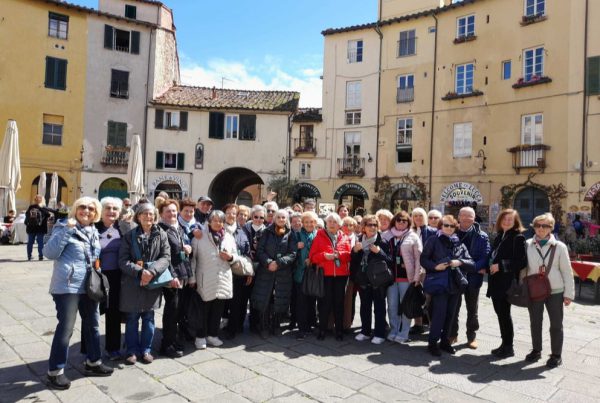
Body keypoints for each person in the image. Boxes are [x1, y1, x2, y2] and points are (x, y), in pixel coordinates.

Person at [43, 197, 113, 390]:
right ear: (75, 209)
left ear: (95, 213)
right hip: (67, 287)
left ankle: (93, 362)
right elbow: (49, 252)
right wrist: (67, 230)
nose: (86, 211)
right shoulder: (63, 225)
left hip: (89, 286)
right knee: (66, 328)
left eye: (91, 208)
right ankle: (55, 372)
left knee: (93, 325)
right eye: (82, 207)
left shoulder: (93, 231)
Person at [119, 202, 171, 365]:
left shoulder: (161, 234)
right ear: (138, 216)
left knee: (149, 317)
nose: (148, 217)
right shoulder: (129, 235)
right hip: (133, 283)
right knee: (132, 318)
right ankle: (132, 350)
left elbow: (166, 257)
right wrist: (141, 272)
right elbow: (123, 260)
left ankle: (146, 350)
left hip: (152, 283)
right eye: (145, 214)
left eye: (151, 214)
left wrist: (152, 271)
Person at [525, 213, 575, 368]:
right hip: (534, 290)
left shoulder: (559, 247)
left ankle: (556, 355)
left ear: (551, 228)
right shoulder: (527, 244)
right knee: (535, 322)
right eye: (538, 225)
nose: (541, 229)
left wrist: (568, 294)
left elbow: (567, 271)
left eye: (545, 226)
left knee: (556, 324)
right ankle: (536, 350)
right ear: (533, 227)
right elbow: (524, 268)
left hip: (555, 291)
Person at [420, 215, 474, 356]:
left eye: (451, 226)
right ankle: (432, 343)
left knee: (451, 315)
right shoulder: (433, 240)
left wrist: (460, 262)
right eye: (445, 225)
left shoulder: (459, 243)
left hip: (455, 285)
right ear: (440, 226)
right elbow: (423, 259)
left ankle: (445, 342)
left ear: (455, 228)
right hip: (439, 284)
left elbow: (471, 263)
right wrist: (435, 266)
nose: (448, 228)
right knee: (439, 314)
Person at [190, 210, 239, 349]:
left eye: (221, 221)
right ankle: (200, 336)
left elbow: (235, 255)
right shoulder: (199, 237)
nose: (218, 223)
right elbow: (192, 259)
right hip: (205, 278)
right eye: (215, 220)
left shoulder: (229, 237)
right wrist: (192, 278)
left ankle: (212, 334)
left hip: (223, 277)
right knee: (203, 310)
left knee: (218, 309)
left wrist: (230, 258)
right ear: (209, 221)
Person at [488, 209, 527, 358]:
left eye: (510, 219)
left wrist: (501, 266)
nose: (507, 221)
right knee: (500, 314)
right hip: (495, 282)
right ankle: (504, 344)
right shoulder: (499, 236)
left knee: (504, 315)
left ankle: (509, 347)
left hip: (506, 283)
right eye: (504, 219)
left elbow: (521, 262)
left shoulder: (518, 238)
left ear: (515, 222)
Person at [251, 209, 297, 338]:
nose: (281, 220)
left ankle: (276, 325)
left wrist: (279, 262)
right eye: (279, 217)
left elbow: (293, 253)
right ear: (274, 218)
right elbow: (260, 250)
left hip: (282, 273)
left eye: (284, 217)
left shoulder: (290, 233)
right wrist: (269, 262)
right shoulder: (267, 232)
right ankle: (264, 326)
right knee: (265, 299)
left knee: (279, 299)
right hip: (266, 272)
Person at [450, 207, 490, 349]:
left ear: (474, 218)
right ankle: (452, 334)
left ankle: (471, 336)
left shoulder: (482, 235)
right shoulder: (451, 231)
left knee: (472, 308)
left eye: (470, 216)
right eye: (464, 215)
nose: (467, 218)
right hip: (454, 276)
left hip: (473, 277)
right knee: (454, 307)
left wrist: (470, 266)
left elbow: (485, 256)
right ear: (459, 217)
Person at [157, 199, 192, 358]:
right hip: (172, 277)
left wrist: (187, 249)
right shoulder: (161, 230)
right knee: (171, 312)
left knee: (178, 311)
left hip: (182, 274)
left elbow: (180, 252)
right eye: (168, 211)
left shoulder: (176, 228)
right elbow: (164, 256)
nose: (171, 213)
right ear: (162, 214)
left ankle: (174, 339)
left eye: (173, 211)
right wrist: (172, 276)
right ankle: (167, 345)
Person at [310, 213, 351, 341]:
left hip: (341, 276)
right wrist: (324, 256)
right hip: (325, 275)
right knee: (325, 303)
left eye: (334, 222)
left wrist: (339, 255)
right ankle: (322, 330)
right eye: (330, 222)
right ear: (326, 223)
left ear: (339, 225)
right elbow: (312, 257)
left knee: (339, 303)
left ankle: (338, 330)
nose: (332, 224)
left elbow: (349, 255)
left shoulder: (345, 237)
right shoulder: (319, 236)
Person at [351, 214, 391, 344]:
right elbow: (354, 262)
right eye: (369, 225)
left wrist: (379, 252)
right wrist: (355, 252)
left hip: (378, 280)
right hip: (364, 279)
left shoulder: (382, 241)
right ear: (363, 227)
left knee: (379, 308)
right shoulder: (358, 240)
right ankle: (365, 331)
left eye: (375, 225)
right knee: (364, 307)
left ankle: (379, 333)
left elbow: (389, 261)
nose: (373, 227)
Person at [387, 211, 422, 344]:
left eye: (404, 221)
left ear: (408, 223)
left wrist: (417, 277)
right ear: (394, 221)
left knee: (406, 305)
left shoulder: (413, 236)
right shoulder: (387, 235)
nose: (401, 222)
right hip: (390, 278)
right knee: (392, 306)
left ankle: (404, 332)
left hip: (407, 278)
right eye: (398, 220)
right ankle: (394, 330)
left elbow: (419, 258)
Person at [97, 197, 124, 361]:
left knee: (114, 313)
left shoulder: (123, 229)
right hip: (96, 275)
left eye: (115, 208)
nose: (111, 211)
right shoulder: (93, 228)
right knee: (92, 314)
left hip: (116, 276)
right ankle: (89, 350)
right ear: (101, 210)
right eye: (108, 208)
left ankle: (113, 348)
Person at [222, 204, 252, 340]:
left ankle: (232, 328)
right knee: (221, 302)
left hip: (237, 272)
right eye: (228, 213)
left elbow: (247, 253)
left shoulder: (242, 231)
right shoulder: (218, 228)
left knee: (236, 302)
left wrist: (249, 272)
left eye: (234, 213)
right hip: (220, 271)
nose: (231, 216)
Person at [410, 207, 437, 335]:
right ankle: (418, 324)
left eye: (420, 215)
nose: (418, 218)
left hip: (427, 270)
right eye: (415, 216)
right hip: (414, 270)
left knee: (429, 299)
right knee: (415, 298)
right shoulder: (410, 231)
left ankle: (433, 328)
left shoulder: (431, 231)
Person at [293, 211, 318, 340]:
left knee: (311, 301)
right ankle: (301, 328)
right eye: (306, 222)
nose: (309, 224)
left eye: (311, 222)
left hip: (313, 273)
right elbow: (289, 249)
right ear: (302, 223)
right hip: (300, 272)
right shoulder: (296, 235)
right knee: (301, 301)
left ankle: (310, 325)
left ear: (315, 223)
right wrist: (296, 247)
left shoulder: (318, 235)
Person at [242, 204, 267, 333]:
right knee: (244, 296)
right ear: (251, 216)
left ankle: (256, 324)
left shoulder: (268, 231)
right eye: (256, 217)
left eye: (261, 217)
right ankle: (239, 324)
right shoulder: (244, 229)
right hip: (246, 267)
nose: (258, 219)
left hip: (262, 269)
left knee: (258, 297)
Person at [25, 194, 51, 261]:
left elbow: (26, 215)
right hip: (41, 227)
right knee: (40, 242)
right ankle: (40, 256)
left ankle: (29, 256)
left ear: (34, 200)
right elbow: (48, 215)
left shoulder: (31, 207)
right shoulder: (43, 207)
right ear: (42, 200)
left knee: (30, 242)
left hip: (31, 227)